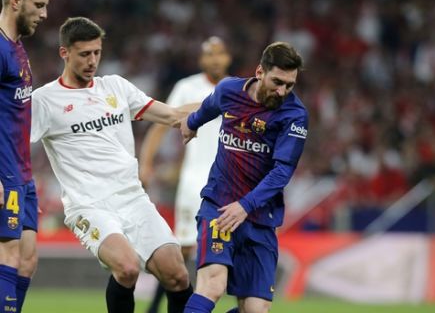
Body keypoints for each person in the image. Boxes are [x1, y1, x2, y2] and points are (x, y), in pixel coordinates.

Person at [30, 17, 193, 313]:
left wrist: (223, 104)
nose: (92, 61)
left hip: (132, 198)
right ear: (64, 53)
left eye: (97, 52)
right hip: (89, 205)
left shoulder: (115, 87)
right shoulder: (44, 101)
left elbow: (172, 116)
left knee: (178, 275)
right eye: (84, 54)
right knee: (127, 267)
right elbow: (11, 141)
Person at [180, 42, 308, 313]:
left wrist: (246, 206)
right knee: (212, 285)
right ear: (260, 72)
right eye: (277, 82)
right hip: (220, 206)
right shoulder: (229, 90)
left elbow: (282, 172)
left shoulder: (294, 116)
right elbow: (209, 106)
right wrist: (191, 123)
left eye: (289, 85)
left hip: (260, 218)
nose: (282, 91)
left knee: (256, 310)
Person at [139, 36, 231, 313]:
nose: (214, 59)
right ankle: (155, 308)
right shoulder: (187, 87)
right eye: (209, 54)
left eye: (219, 54)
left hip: (229, 183)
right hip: (194, 181)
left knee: (228, 251)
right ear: (202, 60)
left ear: (228, 58)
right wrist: (145, 163)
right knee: (184, 250)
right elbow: (159, 124)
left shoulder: (237, 89)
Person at [0, 0, 49, 312]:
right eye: (39, 5)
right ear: (15, 1)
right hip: (4, 173)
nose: (45, 14)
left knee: (28, 259)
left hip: (23, 174)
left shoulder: (17, 46)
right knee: (9, 255)